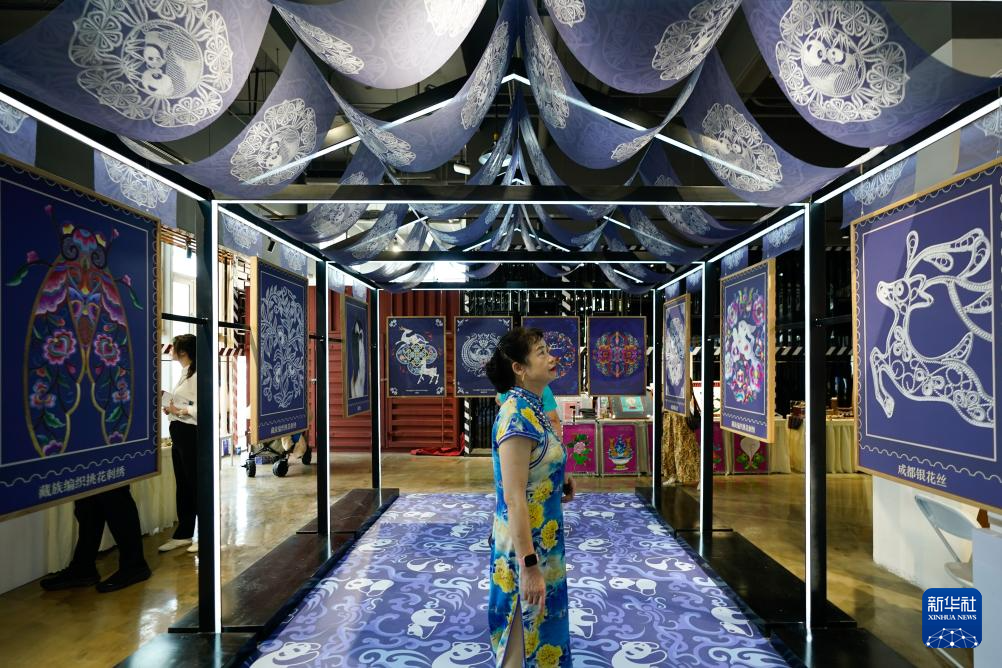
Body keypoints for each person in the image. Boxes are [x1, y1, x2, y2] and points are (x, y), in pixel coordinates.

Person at [484, 327, 574, 667]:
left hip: (544, 540)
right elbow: (514, 498)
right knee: (522, 636)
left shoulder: (533, 407)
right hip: (524, 548)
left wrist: (557, 481)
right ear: (519, 368)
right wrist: (529, 566)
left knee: (543, 627)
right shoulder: (516, 417)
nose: (551, 357)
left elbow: (536, 468)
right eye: (541, 352)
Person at [158, 333, 199, 554]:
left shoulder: (199, 374)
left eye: (173, 348)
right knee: (183, 484)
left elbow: (204, 408)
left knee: (195, 483)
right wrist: (173, 410)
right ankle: (184, 533)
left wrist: (180, 410)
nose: (171, 351)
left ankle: (206, 534)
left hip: (191, 433)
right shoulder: (186, 372)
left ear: (182, 351)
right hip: (179, 432)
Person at [496, 384, 562, 440]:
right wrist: (559, 444)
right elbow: (553, 420)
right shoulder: (542, 387)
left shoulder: (504, 388)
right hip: (537, 440)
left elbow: (498, 400)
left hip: (507, 436)